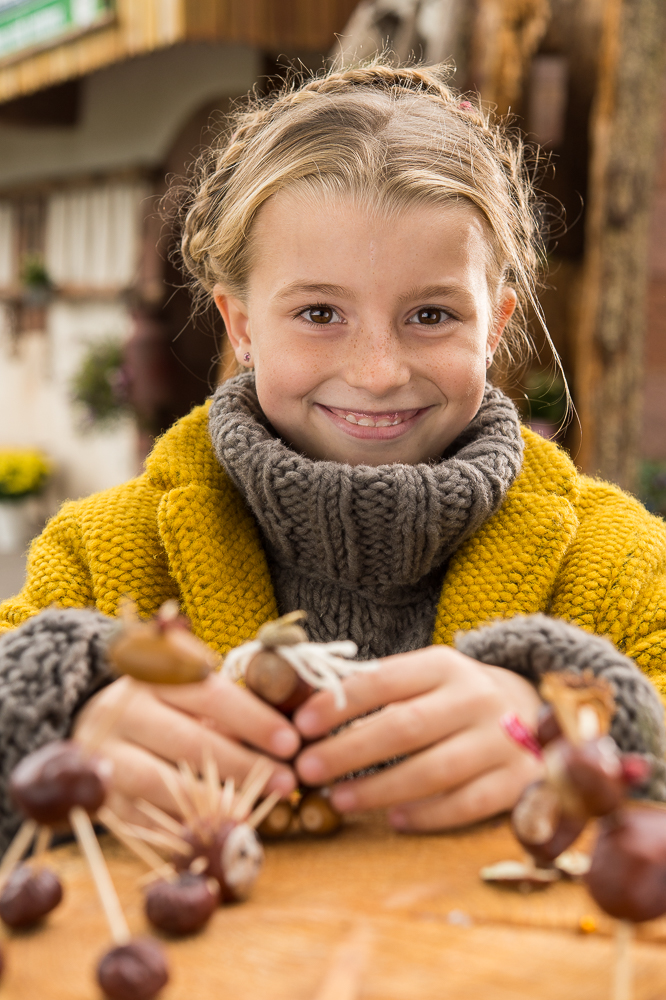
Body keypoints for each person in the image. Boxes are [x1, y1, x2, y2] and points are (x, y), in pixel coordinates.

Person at [1, 63, 664, 853]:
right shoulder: (105, 559)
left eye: (431, 314)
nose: (378, 371)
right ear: (241, 326)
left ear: (494, 325)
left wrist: (591, 731)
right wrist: (55, 716)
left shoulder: (619, 563)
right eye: (320, 312)